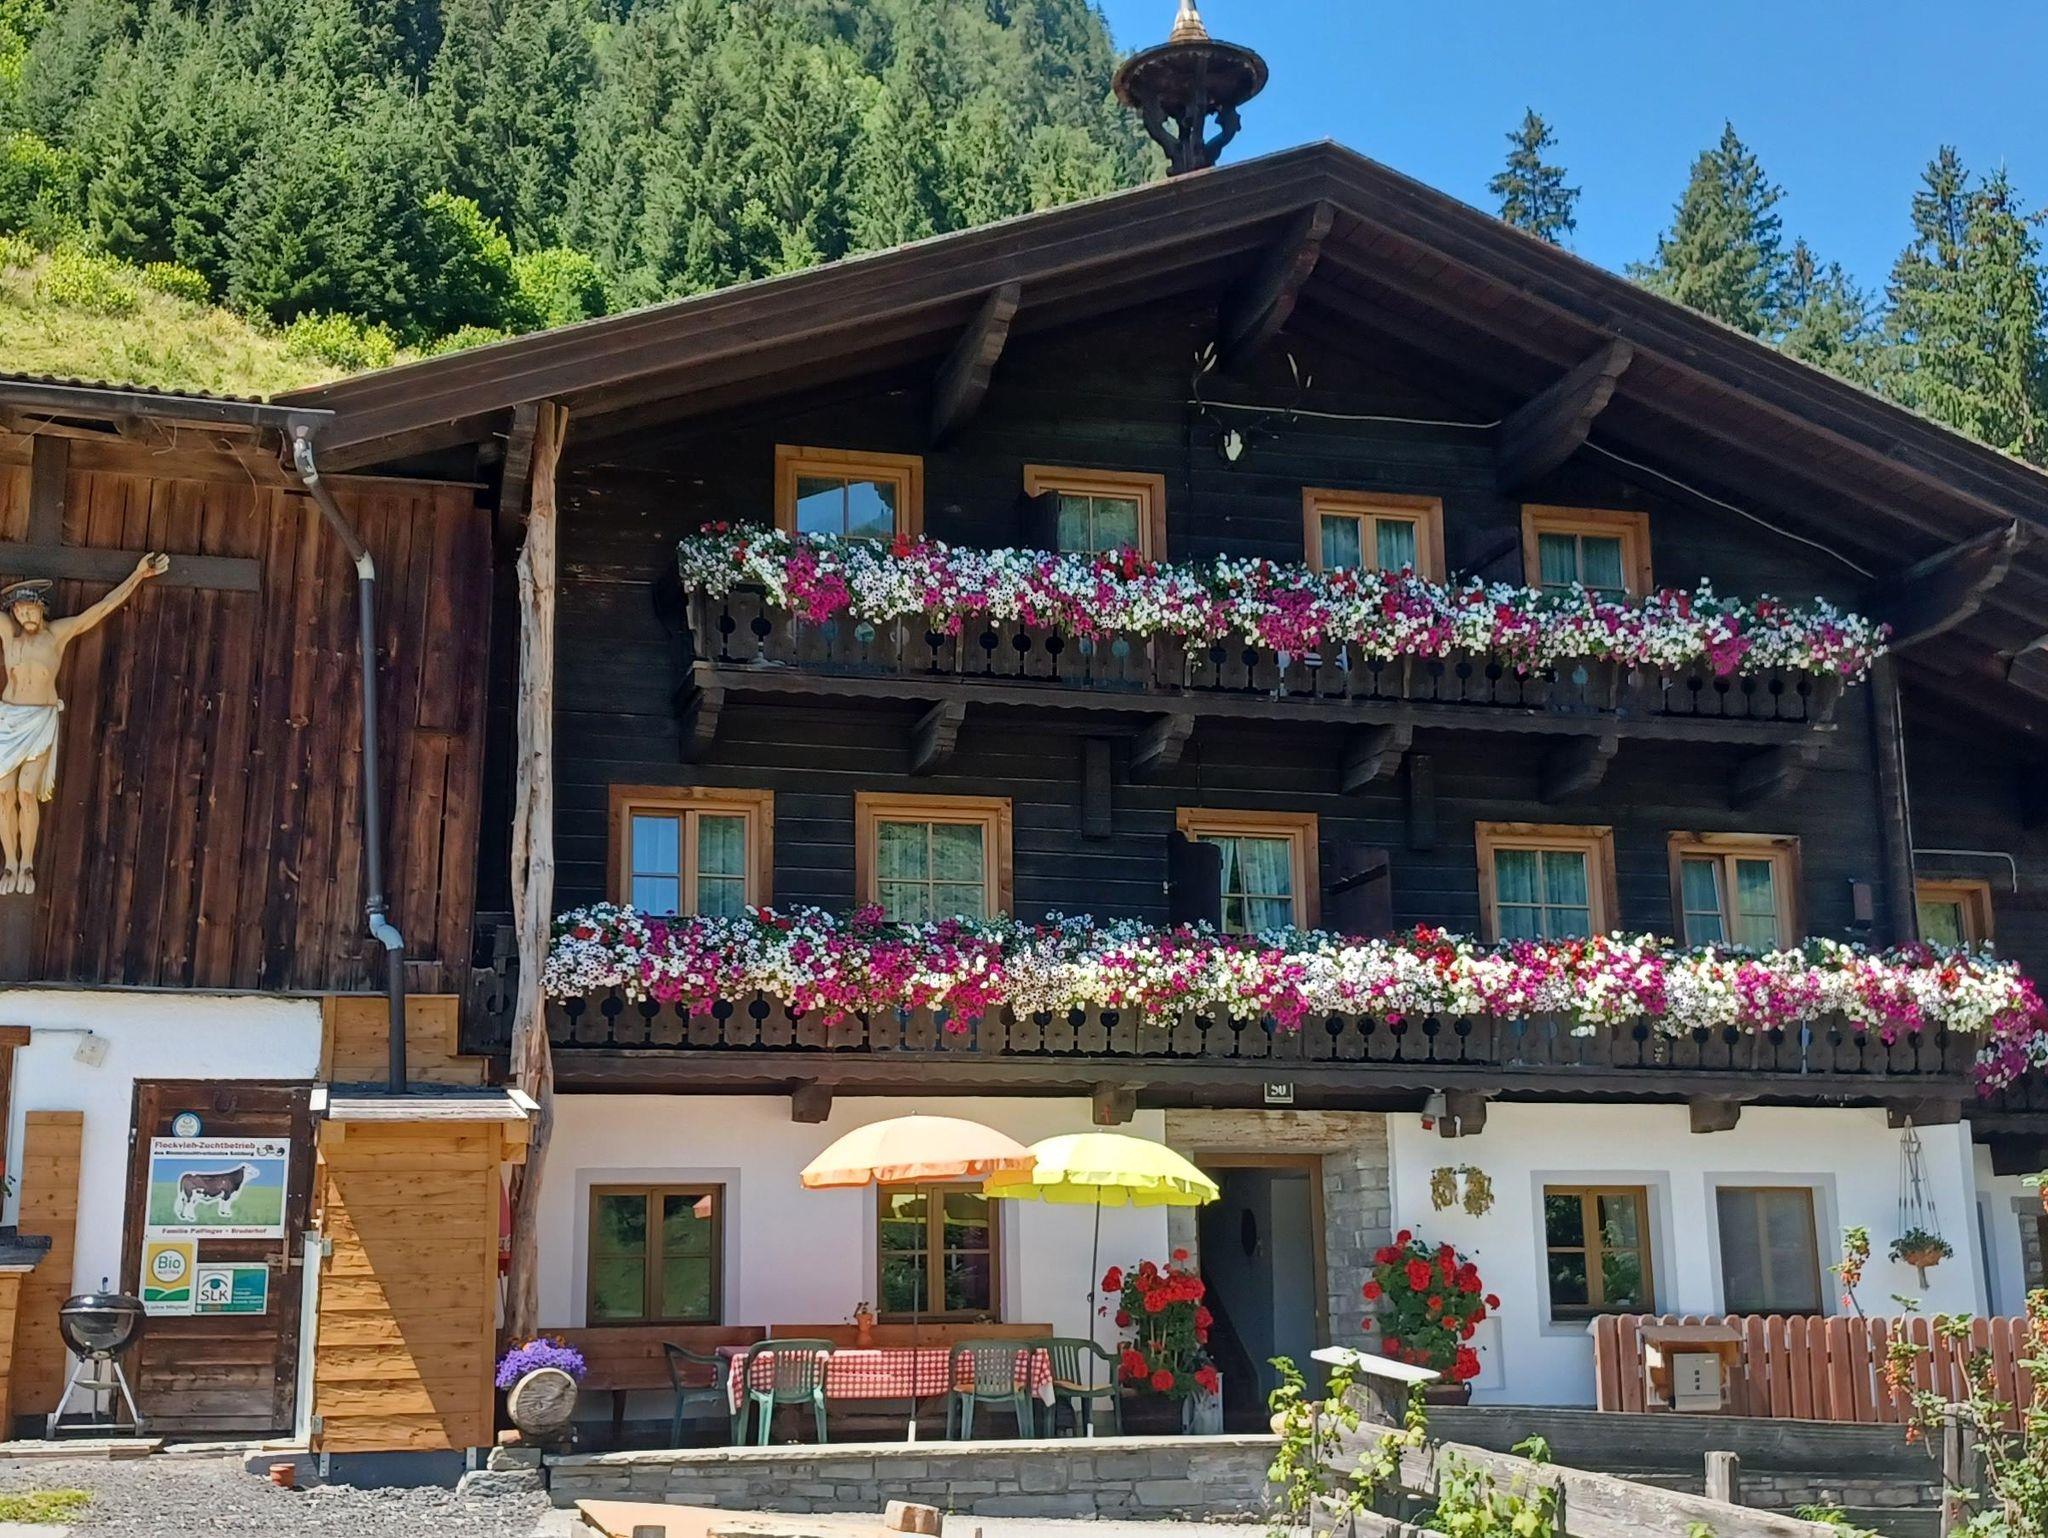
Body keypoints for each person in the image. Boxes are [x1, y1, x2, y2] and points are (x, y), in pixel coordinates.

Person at [0, 552, 170, 894]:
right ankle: (10, 863)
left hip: (39, 721)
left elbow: (102, 608)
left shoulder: (57, 635)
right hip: (7, 721)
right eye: (19, 611)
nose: (25, 616)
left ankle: (27, 862)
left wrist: (138, 575)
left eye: (30, 609)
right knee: (4, 793)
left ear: (42, 609)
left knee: (26, 792)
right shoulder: (9, 635)